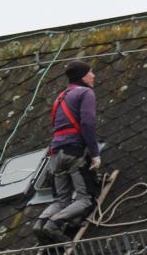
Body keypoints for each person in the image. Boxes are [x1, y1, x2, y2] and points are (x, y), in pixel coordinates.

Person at [33, 61, 102, 243]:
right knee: (85, 199)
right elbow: (87, 123)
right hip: (73, 153)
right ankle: (53, 225)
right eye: (90, 72)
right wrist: (95, 154)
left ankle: (40, 224)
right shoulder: (85, 93)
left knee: (62, 200)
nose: (93, 75)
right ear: (83, 76)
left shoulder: (61, 97)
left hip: (55, 154)